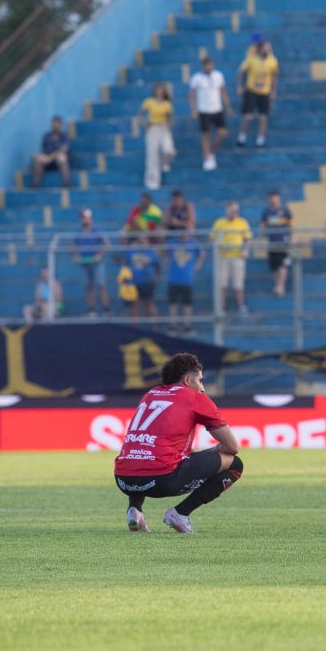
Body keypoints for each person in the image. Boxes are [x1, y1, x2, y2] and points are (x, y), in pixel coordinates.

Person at [114, 353, 244, 534]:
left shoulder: (150, 394)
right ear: (187, 380)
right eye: (200, 381)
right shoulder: (195, 398)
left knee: (143, 453)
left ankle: (134, 510)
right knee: (235, 464)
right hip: (160, 480)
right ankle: (180, 513)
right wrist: (213, 451)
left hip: (123, 480)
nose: (202, 388)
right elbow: (233, 447)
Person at [210, 201, 253, 314]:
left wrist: (246, 250)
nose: (234, 212)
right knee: (222, 284)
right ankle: (221, 307)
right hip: (223, 257)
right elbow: (212, 239)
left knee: (238, 284)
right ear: (226, 210)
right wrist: (216, 248)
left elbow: (248, 239)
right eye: (232, 210)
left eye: (236, 210)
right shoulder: (219, 223)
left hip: (237, 257)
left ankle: (241, 306)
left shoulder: (242, 223)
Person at [189, 56, 231, 172]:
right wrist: (194, 109)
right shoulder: (197, 78)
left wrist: (227, 107)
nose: (208, 67)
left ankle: (211, 152)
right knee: (205, 135)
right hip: (204, 109)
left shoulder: (218, 76)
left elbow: (223, 92)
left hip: (217, 108)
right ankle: (207, 158)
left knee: (223, 132)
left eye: (210, 64)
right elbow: (192, 94)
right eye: (206, 65)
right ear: (202, 66)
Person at [237, 39, 279, 149]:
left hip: (265, 92)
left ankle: (260, 140)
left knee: (263, 118)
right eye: (265, 47)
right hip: (251, 91)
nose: (267, 50)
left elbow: (274, 77)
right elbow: (242, 71)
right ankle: (242, 138)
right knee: (248, 117)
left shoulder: (273, 61)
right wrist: (240, 86)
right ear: (260, 48)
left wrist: (273, 91)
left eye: (269, 48)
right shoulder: (251, 58)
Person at [164, 228, 206, 333]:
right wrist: (167, 262)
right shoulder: (172, 242)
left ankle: (187, 326)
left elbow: (202, 254)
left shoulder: (193, 243)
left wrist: (198, 264)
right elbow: (163, 252)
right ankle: (172, 326)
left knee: (187, 303)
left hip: (187, 279)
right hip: (173, 278)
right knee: (172, 303)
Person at [73, 209, 110, 316]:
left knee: (101, 285)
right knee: (89, 287)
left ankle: (106, 309)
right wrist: (76, 256)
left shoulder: (97, 231)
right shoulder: (79, 234)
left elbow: (107, 244)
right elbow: (74, 248)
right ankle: (91, 310)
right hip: (85, 264)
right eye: (83, 218)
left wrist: (99, 255)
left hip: (97, 263)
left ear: (91, 219)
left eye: (87, 217)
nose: (85, 220)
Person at [139, 84, 175, 189]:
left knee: (169, 150)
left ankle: (164, 163)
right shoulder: (149, 102)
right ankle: (152, 180)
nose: (159, 93)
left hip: (164, 128)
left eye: (161, 91)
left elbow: (170, 117)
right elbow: (141, 114)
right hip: (153, 128)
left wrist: (168, 126)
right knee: (152, 155)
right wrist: (145, 124)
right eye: (158, 90)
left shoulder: (167, 104)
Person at [260, 190, 294, 296]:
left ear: (279, 198)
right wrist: (262, 238)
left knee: (282, 264)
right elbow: (262, 226)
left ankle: (281, 287)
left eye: (275, 197)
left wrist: (292, 239)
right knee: (275, 266)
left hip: (283, 242)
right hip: (272, 242)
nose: (273, 199)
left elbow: (291, 226)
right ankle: (277, 285)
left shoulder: (285, 210)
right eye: (272, 197)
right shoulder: (267, 212)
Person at [123, 235, 160, 318]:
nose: (142, 241)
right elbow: (125, 264)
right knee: (134, 305)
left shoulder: (152, 252)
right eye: (140, 240)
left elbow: (157, 267)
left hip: (148, 282)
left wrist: (154, 278)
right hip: (133, 283)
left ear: (147, 241)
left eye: (144, 239)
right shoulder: (131, 251)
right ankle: (134, 326)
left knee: (149, 303)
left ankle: (155, 325)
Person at [31, 116, 71, 188]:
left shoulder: (64, 136)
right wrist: (44, 157)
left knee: (62, 158)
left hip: (57, 160)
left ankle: (67, 182)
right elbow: (43, 151)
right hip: (47, 160)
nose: (55, 126)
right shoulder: (46, 136)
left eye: (57, 124)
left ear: (60, 125)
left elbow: (64, 150)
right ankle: (36, 183)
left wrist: (50, 157)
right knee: (37, 158)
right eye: (53, 124)